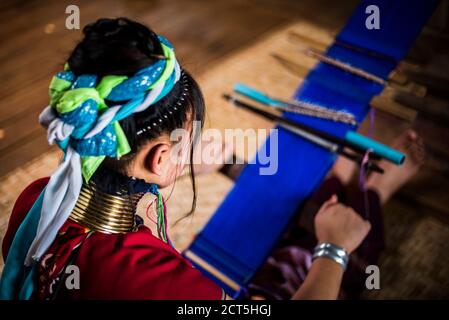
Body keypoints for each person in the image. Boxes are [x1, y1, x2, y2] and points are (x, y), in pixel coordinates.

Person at [0, 17, 400, 300]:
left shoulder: (37, 201)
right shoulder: (162, 285)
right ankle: (374, 189)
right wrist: (334, 249)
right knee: (331, 250)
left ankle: (346, 180)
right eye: (184, 138)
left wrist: (180, 162)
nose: (190, 145)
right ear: (158, 159)